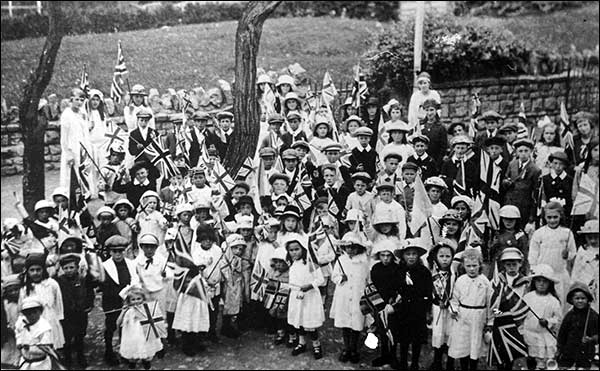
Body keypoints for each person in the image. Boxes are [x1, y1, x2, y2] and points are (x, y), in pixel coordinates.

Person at [448, 249, 493, 371]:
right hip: (463, 316)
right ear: (463, 266)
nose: (472, 269)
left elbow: (490, 303)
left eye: (474, 266)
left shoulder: (485, 282)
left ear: (480, 265)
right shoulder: (461, 280)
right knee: (463, 344)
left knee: (475, 344)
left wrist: (489, 322)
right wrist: (454, 310)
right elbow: (454, 299)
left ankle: (473, 366)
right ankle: (463, 366)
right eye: (468, 266)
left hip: (478, 316)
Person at [529, 202, 576, 311]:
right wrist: (533, 269)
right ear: (545, 217)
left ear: (560, 216)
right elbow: (533, 254)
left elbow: (573, 253)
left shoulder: (566, 232)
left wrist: (567, 254)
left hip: (559, 274)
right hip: (543, 276)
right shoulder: (539, 233)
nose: (552, 220)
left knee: (560, 303)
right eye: (549, 217)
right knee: (543, 303)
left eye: (555, 217)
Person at [330, 233, 369, 364]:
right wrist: (341, 278)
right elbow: (334, 276)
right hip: (344, 295)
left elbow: (367, 279)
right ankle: (346, 348)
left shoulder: (364, 261)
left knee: (356, 323)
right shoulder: (341, 260)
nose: (350, 250)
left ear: (359, 247)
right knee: (345, 323)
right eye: (347, 247)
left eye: (353, 247)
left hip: (358, 295)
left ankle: (354, 349)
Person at [100, 235, 140, 366]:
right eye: (114, 251)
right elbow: (103, 286)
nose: (117, 254)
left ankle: (125, 351)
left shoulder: (131, 264)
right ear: (110, 252)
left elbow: (135, 280)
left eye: (120, 251)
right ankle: (109, 351)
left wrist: (128, 295)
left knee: (126, 325)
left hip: (127, 300)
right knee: (111, 325)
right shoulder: (105, 266)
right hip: (111, 300)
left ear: (124, 251)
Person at [488, 247, 529, 371]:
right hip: (500, 322)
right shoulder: (496, 281)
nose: (511, 267)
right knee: (502, 355)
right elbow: (491, 304)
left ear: (520, 264)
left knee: (516, 354)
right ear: (503, 265)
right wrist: (498, 316)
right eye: (508, 264)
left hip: (517, 323)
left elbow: (526, 303)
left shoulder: (525, 283)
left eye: (514, 264)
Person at [286, 234, 326, 359]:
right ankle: (301, 343)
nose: (294, 253)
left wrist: (309, 286)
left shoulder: (310, 263)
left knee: (310, 324)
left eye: (297, 249)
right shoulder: (291, 264)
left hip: (310, 297)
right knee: (299, 322)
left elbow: (321, 280)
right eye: (291, 250)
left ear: (303, 248)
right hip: (297, 297)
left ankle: (316, 345)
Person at [396, 239, 433, 370]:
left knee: (417, 338)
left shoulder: (424, 272)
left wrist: (427, 308)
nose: (411, 257)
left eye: (414, 254)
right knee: (404, 337)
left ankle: (415, 362)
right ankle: (403, 362)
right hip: (403, 309)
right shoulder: (399, 271)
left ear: (418, 256)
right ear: (403, 256)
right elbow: (395, 287)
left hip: (418, 309)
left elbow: (428, 290)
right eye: (408, 254)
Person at [55, 254, 97, 369]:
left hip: (80, 314)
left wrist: (89, 305)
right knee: (67, 338)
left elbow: (90, 293)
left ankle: (80, 356)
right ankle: (67, 358)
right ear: (62, 269)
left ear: (77, 267)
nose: (68, 270)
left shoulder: (82, 279)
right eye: (66, 268)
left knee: (80, 335)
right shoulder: (59, 281)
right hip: (66, 315)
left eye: (71, 267)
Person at [18, 253, 64, 352]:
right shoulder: (25, 288)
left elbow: (58, 302)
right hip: (33, 321)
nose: (35, 273)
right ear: (28, 272)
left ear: (43, 270)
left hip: (50, 318)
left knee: (51, 345)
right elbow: (21, 307)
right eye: (32, 270)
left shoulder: (51, 284)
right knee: (37, 347)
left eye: (38, 270)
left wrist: (59, 318)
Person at [369, 239, 402, 368]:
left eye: (388, 255)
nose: (386, 258)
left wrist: (393, 301)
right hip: (379, 302)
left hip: (393, 303)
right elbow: (373, 286)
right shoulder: (376, 268)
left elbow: (400, 286)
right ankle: (384, 355)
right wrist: (378, 303)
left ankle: (393, 356)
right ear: (379, 256)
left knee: (393, 330)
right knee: (382, 330)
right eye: (383, 255)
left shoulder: (398, 269)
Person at [523, 264, 562, 370]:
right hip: (529, 335)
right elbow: (522, 317)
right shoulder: (527, 298)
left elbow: (558, 319)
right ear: (534, 282)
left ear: (550, 283)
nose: (541, 284)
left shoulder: (553, 301)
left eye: (544, 281)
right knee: (531, 360)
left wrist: (548, 322)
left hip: (545, 337)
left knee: (544, 363)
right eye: (538, 280)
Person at [116, 285, 164, 370]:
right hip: (132, 336)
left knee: (146, 350)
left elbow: (155, 319)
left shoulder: (147, 309)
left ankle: (146, 364)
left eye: (139, 299)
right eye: (133, 299)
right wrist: (123, 312)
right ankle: (132, 364)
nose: (136, 301)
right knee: (133, 352)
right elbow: (118, 323)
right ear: (129, 301)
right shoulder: (129, 311)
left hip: (145, 334)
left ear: (143, 299)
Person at [427, 239, 458, 371]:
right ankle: (437, 362)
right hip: (437, 308)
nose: (445, 260)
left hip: (451, 308)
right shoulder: (432, 274)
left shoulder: (454, 274)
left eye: (447, 256)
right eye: (441, 256)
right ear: (436, 257)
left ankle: (450, 363)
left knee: (450, 334)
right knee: (438, 334)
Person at [557, 281, 599, 369]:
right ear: (572, 300)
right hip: (569, 351)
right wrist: (559, 348)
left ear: (588, 299)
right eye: (577, 298)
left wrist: (590, 339)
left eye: (583, 298)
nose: (580, 301)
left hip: (586, 352)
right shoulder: (569, 315)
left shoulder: (593, 316)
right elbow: (562, 333)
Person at [502, 138, 541, 227]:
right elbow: (505, 178)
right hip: (510, 202)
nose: (523, 154)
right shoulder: (512, 164)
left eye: (526, 151)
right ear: (516, 152)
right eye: (520, 151)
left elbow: (535, 194)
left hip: (524, 205)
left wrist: (532, 215)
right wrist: (506, 182)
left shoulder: (535, 169)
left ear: (531, 151)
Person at [59, 88, 92, 192]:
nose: (79, 102)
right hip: (72, 148)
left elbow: (84, 131)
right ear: (71, 100)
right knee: (72, 174)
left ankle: (85, 192)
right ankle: (72, 194)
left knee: (84, 170)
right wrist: (68, 153)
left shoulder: (82, 113)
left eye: (82, 100)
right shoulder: (66, 115)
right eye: (77, 100)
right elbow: (64, 137)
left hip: (83, 147)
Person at [15, 296, 57, 370]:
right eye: (28, 313)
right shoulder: (22, 322)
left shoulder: (44, 327)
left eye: (34, 312)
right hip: (26, 360)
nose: (31, 315)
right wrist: (20, 342)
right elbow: (18, 332)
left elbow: (45, 347)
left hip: (40, 363)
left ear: (40, 312)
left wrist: (30, 347)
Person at [490, 205, 530, 274]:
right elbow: (491, 254)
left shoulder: (520, 235)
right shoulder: (498, 234)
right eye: (505, 219)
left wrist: (523, 269)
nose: (508, 222)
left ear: (516, 220)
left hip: (514, 266)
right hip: (500, 265)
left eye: (511, 219)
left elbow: (525, 254)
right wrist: (493, 245)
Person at [220, 233, 245, 339]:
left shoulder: (238, 259)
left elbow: (239, 271)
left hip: (236, 285)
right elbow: (223, 272)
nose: (238, 251)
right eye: (235, 248)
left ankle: (230, 325)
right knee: (227, 306)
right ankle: (225, 327)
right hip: (228, 286)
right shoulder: (223, 260)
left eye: (240, 249)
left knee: (235, 305)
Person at [571, 219, 600, 312]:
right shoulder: (582, 251)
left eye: (596, 237)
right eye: (590, 237)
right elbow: (576, 271)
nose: (593, 240)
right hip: (585, 285)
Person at [265, 246, 291, 346]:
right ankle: (280, 333)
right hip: (275, 300)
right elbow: (270, 287)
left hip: (286, 299)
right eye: (277, 262)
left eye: (282, 262)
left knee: (286, 318)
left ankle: (291, 335)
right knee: (277, 317)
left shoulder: (290, 273)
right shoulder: (273, 272)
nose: (279, 265)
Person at [541, 151, 574, 220]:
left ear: (565, 165)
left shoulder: (570, 180)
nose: (558, 166)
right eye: (555, 163)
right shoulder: (545, 179)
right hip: (550, 215)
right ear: (551, 164)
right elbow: (544, 197)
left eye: (561, 164)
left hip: (566, 214)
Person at [419, 98, 447, 168]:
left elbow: (443, 147)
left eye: (431, 110)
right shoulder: (420, 125)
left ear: (436, 111)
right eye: (427, 110)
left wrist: (438, 163)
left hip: (436, 159)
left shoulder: (441, 127)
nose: (429, 113)